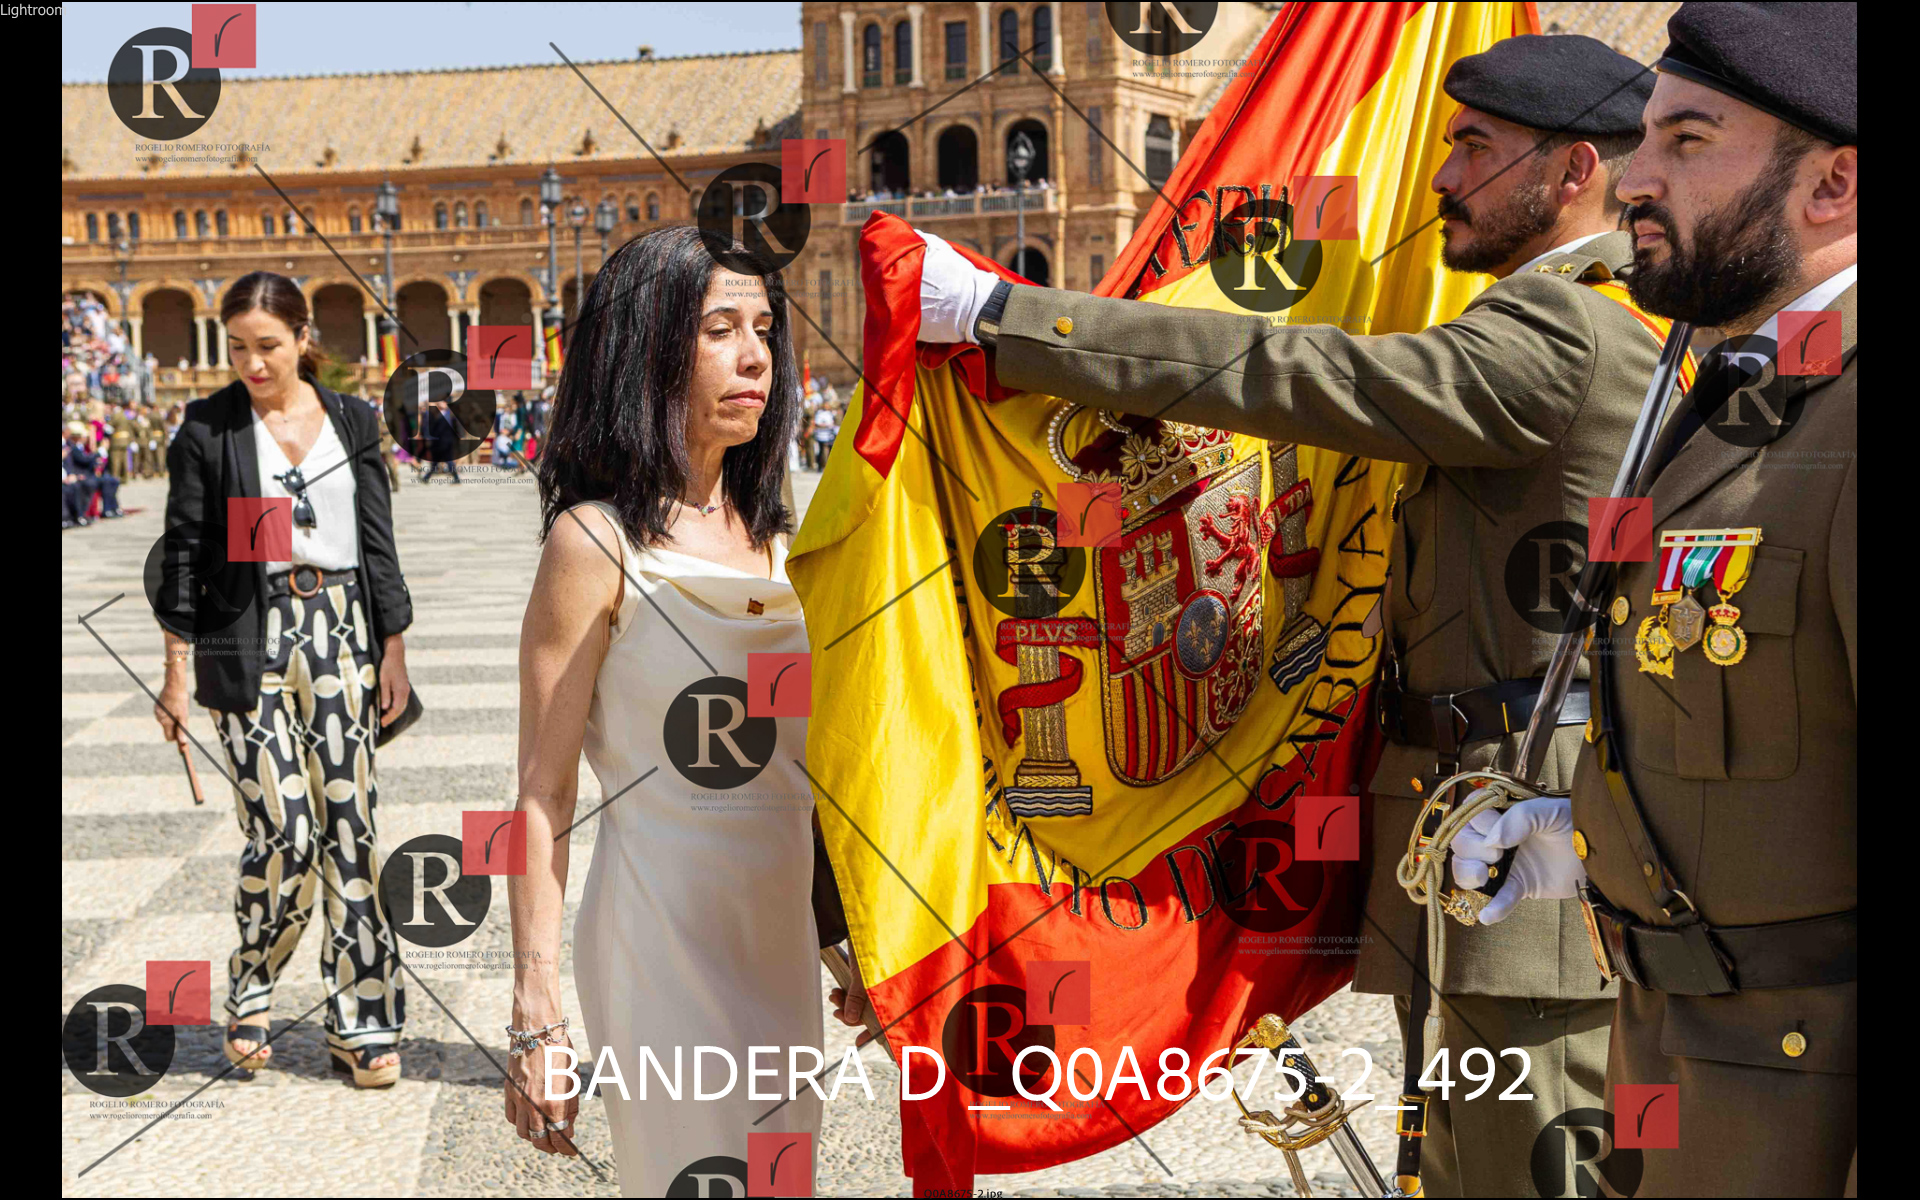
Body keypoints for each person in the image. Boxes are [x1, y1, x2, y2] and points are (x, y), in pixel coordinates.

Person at [912, 34, 1682, 1197]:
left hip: (1525, 823)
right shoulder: (1608, 311)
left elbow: (1301, 375)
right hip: (1494, 818)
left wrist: (1009, 318)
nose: (1440, 177)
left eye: (1475, 147)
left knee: (1526, 1165)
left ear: (1574, 171)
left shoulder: (1568, 328)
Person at [1461, 5, 1857, 1195]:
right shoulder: (1744, 390)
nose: (1635, 180)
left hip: (1802, 1109)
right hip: (1676, 1057)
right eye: (1646, 141)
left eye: (1688, 141)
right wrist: (1581, 844)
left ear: (1833, 185)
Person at [504, 226, 842, 1193]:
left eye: (764, 330)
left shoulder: (786, 542)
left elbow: (805, 778)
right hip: (661, 943)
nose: (755, 357)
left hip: (777, 946)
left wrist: (843, 939)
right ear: (646, 349)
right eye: (719, 330)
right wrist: (536, 1011)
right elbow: (541, 795)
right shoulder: (594, 544)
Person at [151, 271, 415, 1089]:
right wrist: (174, 673)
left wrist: (394, 648)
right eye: (238, 348)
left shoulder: (353, 420)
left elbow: (377, 542)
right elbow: (184, 554)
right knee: (286, 831)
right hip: (247, 636)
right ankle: (253, 987)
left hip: (343, 630)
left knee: (352, 828)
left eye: (267, 345)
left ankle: (362, 1020)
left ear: (303, 338)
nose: (252, 363)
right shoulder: (210, 427)